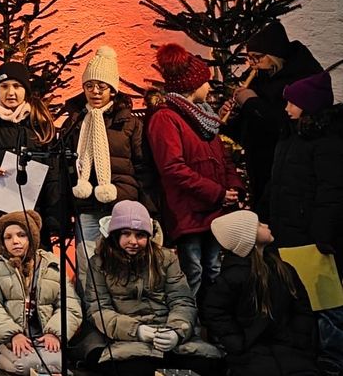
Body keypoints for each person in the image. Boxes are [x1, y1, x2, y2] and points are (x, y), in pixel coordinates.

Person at [79, 200, 222, 376]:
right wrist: (136, 330)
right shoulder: (99, 263)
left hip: (166, 332)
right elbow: (98, 309)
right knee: (134, 369)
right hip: (125, 337)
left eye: (140, 235)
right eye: (126, 234)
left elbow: (182, 301)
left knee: (207, 365)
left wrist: (176, 331)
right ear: (115, 235)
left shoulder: (166, 258)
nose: (133, 241)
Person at [145, 43, 242, 297]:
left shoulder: (205, 117)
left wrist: (233, 188)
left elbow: (222, 158)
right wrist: (217, 192)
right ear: (192, 85)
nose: (208, 88)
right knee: (195, 271)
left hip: (213, 208)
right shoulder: (165, 118)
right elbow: (173, 168)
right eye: (205, 83)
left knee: (213, 269)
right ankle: (192, 324)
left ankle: (213, 324)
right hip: (189, 211)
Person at [264, 72, 343, 371]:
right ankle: (307, 357)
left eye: (293, 102)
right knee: (299, 300)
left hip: (311, 237)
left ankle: (332, 360)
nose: (286, 108)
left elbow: (330, 191)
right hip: (287, 233)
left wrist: (322, 234)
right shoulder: (289, 137)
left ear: (309, 105)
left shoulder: (325, 143)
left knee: (326, 302)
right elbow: (278, 184)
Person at [0, 62, 60, 278]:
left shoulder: (39, 122)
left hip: (33, 213)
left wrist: (55, 219)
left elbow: (53, 173)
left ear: (25, 90)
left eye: (17, 86)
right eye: (4, 86)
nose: (11, 92)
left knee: (38, 275)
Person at [224, 20, 324, 212]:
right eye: (249, 58)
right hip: (260, 161)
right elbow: (249, 126)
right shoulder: (260, 75)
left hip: (286, 162)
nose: (252, 64)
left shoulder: (300, 77)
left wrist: (252, 103)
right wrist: (232, 117)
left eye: (257, 57)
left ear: (274, 54)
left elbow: (282, 122)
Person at [203, 209, 318, 376]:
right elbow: (215, 312)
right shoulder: (233, 277)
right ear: (248, 237)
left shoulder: (283, 269)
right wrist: (237, 344)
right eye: (258, 225)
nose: (265, 225)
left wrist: (300, 339)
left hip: (293, 352)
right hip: (251, 356)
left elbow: (302, 308)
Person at [64, 46, 156, 251]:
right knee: (87, 268)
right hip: (86, 204)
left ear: (113, 90)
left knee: (120, 265)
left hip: (123, 203)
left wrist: (148, 210)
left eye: (101, 86)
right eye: (89, 86)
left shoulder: (129, 123)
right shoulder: (75, 122)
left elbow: (144, 168)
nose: (95, 91)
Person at [0, 209, 81, 374]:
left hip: (41, 333)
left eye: (21, 235)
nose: (15, 241)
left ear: (33, 237)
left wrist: (55, 332)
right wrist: (12, 334)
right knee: (24, 367)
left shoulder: (51, 266)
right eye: (8, 237)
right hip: (5, 335)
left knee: (58, 364)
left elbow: (69, 304)